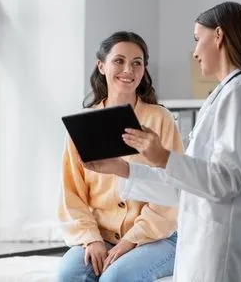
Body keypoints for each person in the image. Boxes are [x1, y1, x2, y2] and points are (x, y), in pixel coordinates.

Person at [84, 2, 241, 282]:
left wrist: (162, 156)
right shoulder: (223, 94)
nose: (195, 52)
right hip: (206, 244)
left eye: (198, 39)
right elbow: (187, 188)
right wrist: (122, 169)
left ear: (219, 36)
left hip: (226, 251)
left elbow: (224, 182)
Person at [56, 31, 183, 282]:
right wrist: (92, 239)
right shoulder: (83, 125)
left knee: (115, 279)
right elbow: (71, 193)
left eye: (137, 63)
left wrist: (129, 241)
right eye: (119, 61)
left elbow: (172, 189)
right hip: (99, 234)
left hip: (157, 236)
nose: (129, 69)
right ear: (101, 65)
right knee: (68, 277)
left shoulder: (160, 119)